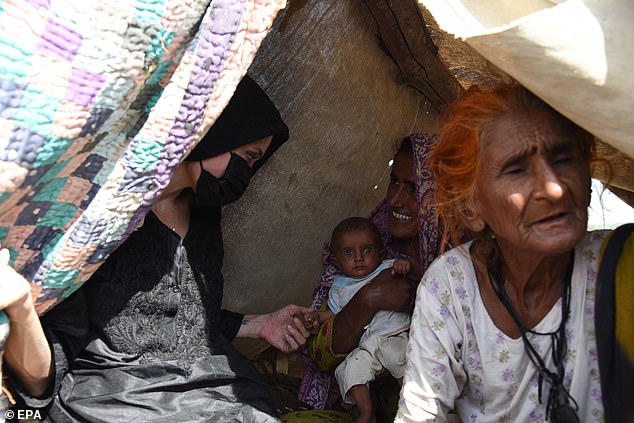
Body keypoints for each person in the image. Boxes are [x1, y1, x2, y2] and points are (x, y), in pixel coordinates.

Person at [2, 75, 314, 422]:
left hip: (210, 391)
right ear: (217, 130)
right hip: (117, 399)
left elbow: (177, 314)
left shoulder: (205, 217)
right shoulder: (103, 214)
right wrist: (21, 310)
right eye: (249, 157)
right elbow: (43, 373)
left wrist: (258, 324)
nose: (248, 173)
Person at [396, 83, 634, 423]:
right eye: (517, 170)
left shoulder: (618, 266)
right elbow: (420, 416)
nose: (554, 188)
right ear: (471, 208)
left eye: (564, 158)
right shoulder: (451, 285)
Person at [299, 134, 445, 418]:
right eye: (393, 182)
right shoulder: (367, 243)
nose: (394, 199)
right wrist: (370, 297)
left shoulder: (458, 264)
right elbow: (320, 356)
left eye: (415, 190)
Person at [303, 217, 413, 423]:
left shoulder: (388, 268)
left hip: (394, 336)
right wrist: (316, 317)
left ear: (380, 252)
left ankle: (412, 406)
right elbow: (334, 314)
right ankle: (366, 412)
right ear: (336, 260)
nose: (359, 258)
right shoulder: (339, 288)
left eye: (367, 250)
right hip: (366, 345)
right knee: (350, 370)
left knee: (404, 363)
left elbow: (407, 272)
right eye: (348, 253)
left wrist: (403, 265)